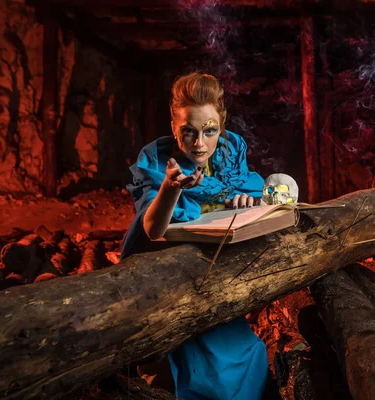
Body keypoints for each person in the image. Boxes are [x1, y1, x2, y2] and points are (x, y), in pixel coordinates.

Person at [120, 72, 269, 400]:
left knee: (250, 354)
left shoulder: (230, 149)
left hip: (217, 273)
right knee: (192, 373)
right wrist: (171, 187)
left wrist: (249, 200)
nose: (199, 143)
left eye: (209, 131)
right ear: (174, 126)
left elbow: (248, 189)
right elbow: (152, 229)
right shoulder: (157, 159)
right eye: (188, 131)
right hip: (167, 277)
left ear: (222, 124)